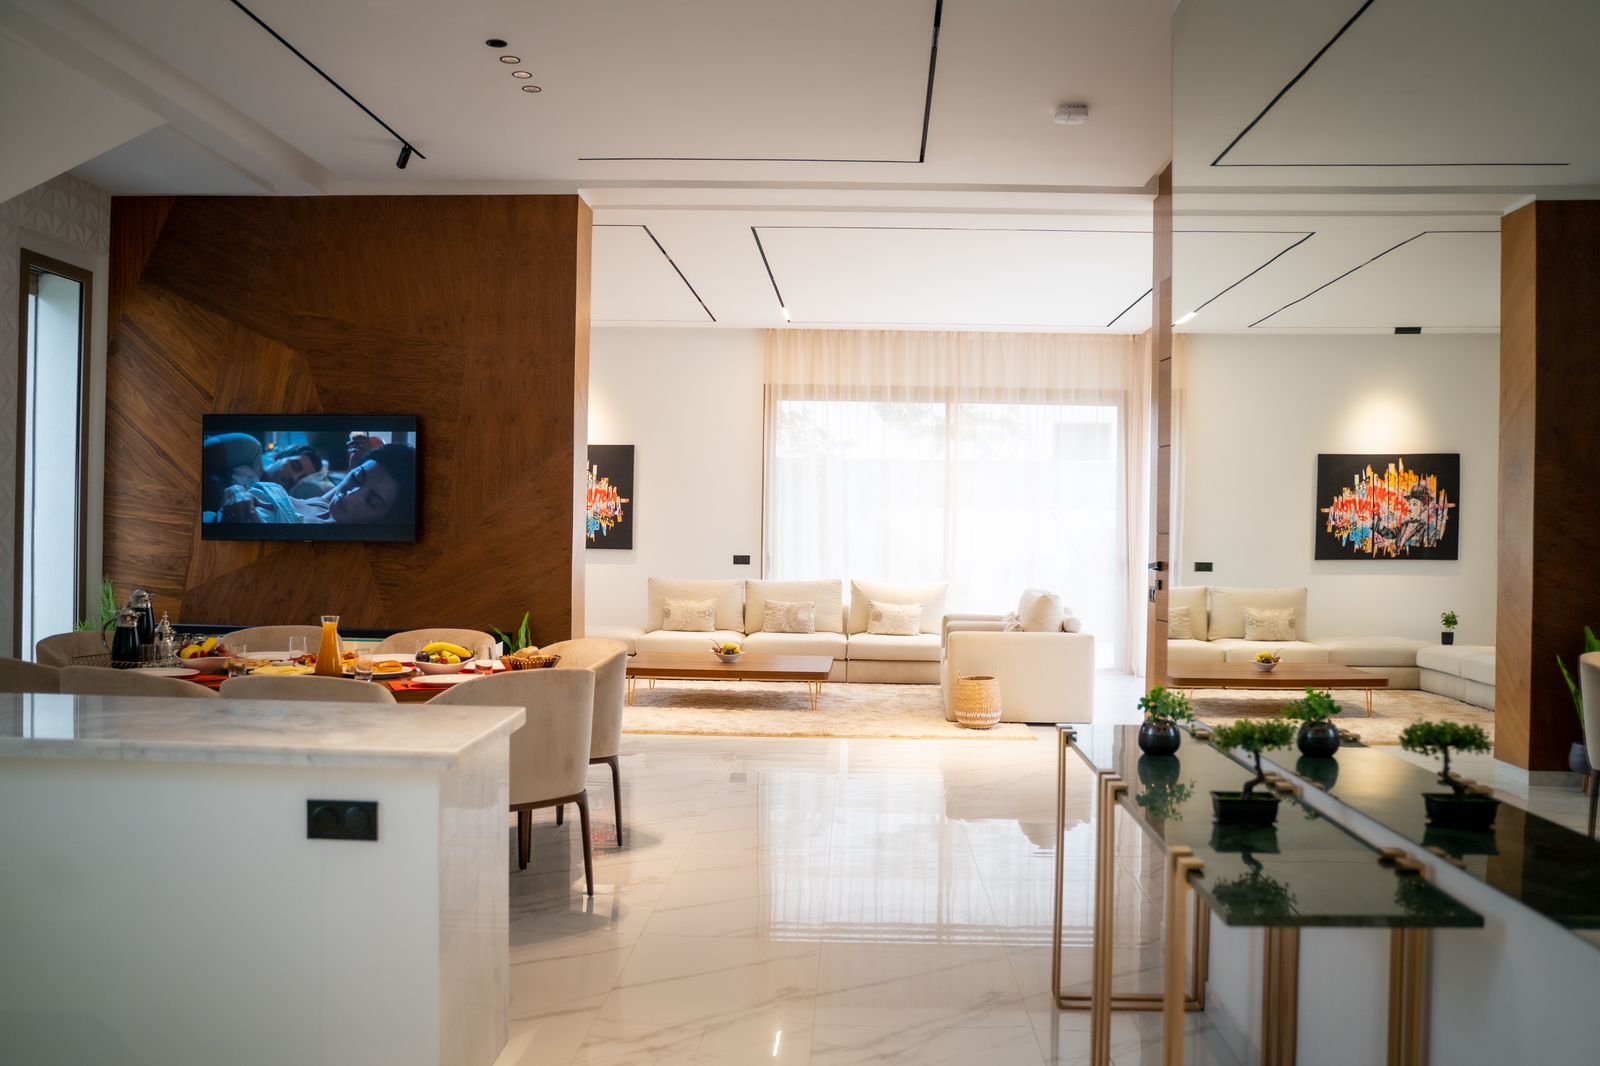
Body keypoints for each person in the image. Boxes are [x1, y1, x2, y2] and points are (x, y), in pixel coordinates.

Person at [205, 443, 416, 526]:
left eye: (372, 501)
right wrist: (236, 491)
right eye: (357, 478)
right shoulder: (325, 505)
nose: (351, 495)